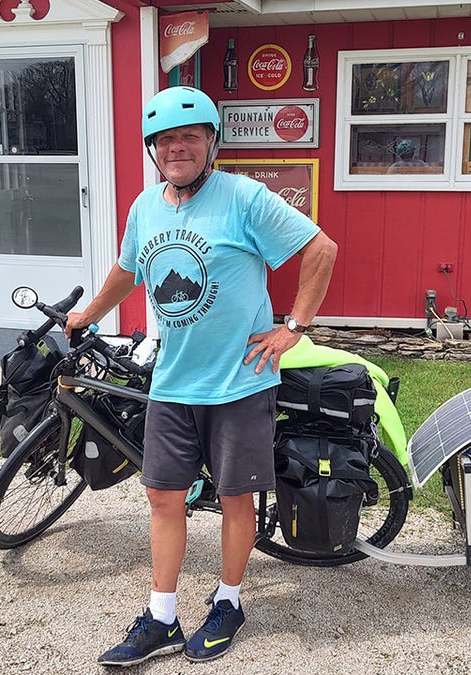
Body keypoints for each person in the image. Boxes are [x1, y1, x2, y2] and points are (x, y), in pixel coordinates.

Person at [64, 86, 337, 666]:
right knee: (164, 497)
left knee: (237, 499)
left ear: (211, 143)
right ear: (153, 149)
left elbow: (321, 249)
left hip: (239, 381)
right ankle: (162, 617)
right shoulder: (146, 206)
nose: (177, 148)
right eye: (166, 139)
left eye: (190, 136)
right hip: (172, 382)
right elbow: (128, 268)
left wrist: (294, 326)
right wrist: (89, 312)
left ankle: (229, 602)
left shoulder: (243, 197)